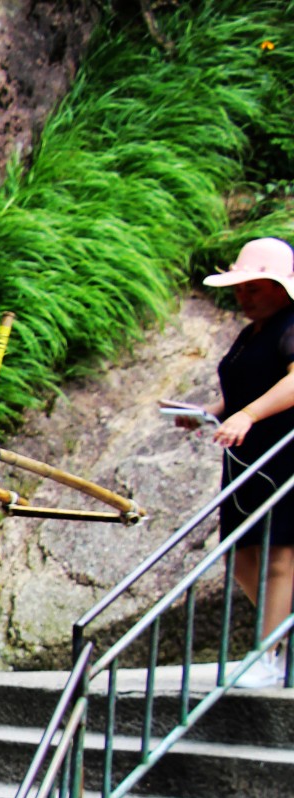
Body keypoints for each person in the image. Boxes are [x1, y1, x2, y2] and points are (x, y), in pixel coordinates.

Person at [175, 236, 294, 688]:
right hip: (246, 459)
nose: (244, 296)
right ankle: (281, 631)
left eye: (255, 288)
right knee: (242, 555)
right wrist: (210, 413)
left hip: (282, 454)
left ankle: (268, 654)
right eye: (240, 289)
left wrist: (248, 414)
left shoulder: (290, 325)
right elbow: (244, 389)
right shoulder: (254, 333)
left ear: (281, 287)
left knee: (280, 554)